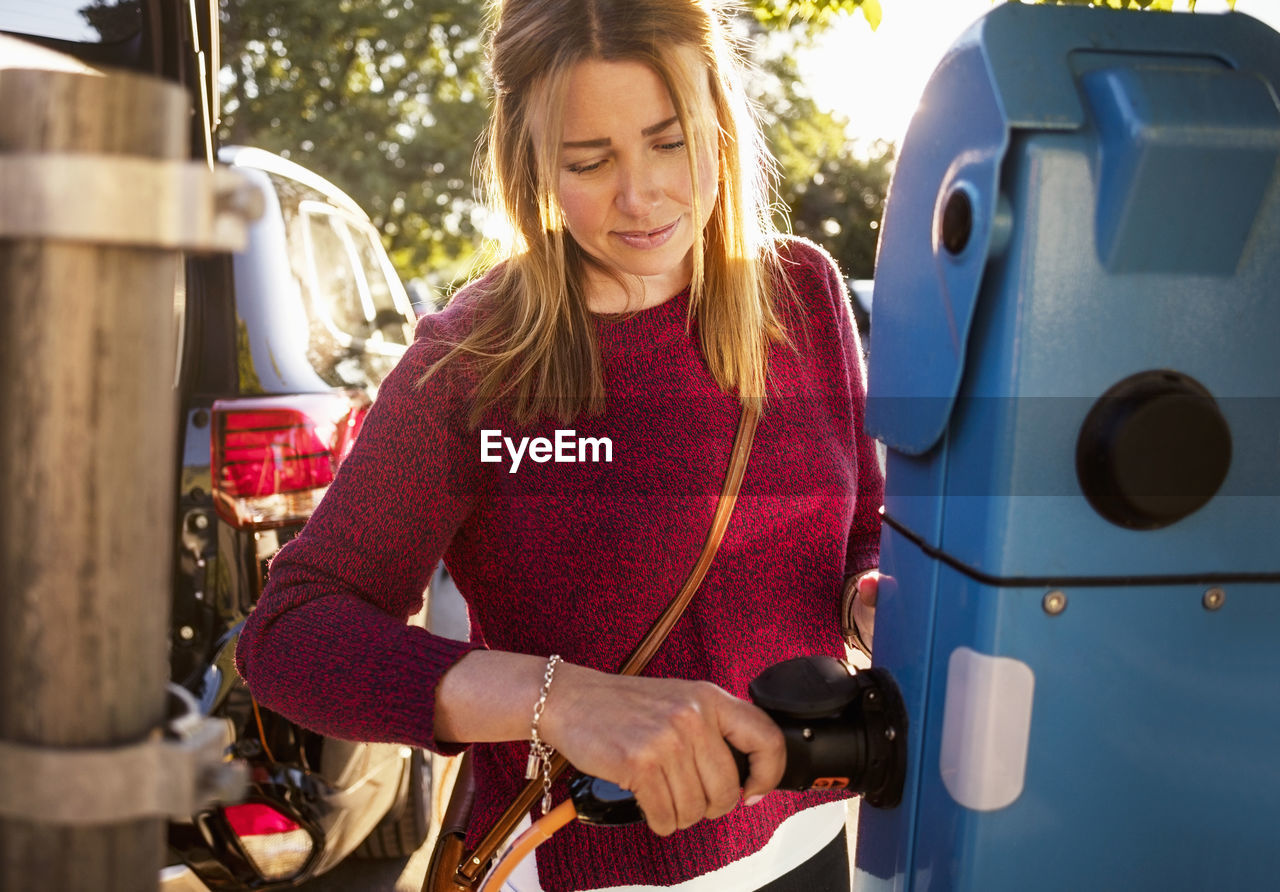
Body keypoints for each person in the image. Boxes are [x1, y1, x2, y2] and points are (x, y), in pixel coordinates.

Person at [234, 0, 883, 889]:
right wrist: (562, 700)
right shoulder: (469, 366)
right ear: (528, 163)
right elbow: (289, 636)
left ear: (721, 124)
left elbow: (859, 537)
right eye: (590, 161)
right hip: (584, 863)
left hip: (810, 842)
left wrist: (870, 603)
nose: (641, 194)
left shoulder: (803, 293)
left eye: (670, 140)